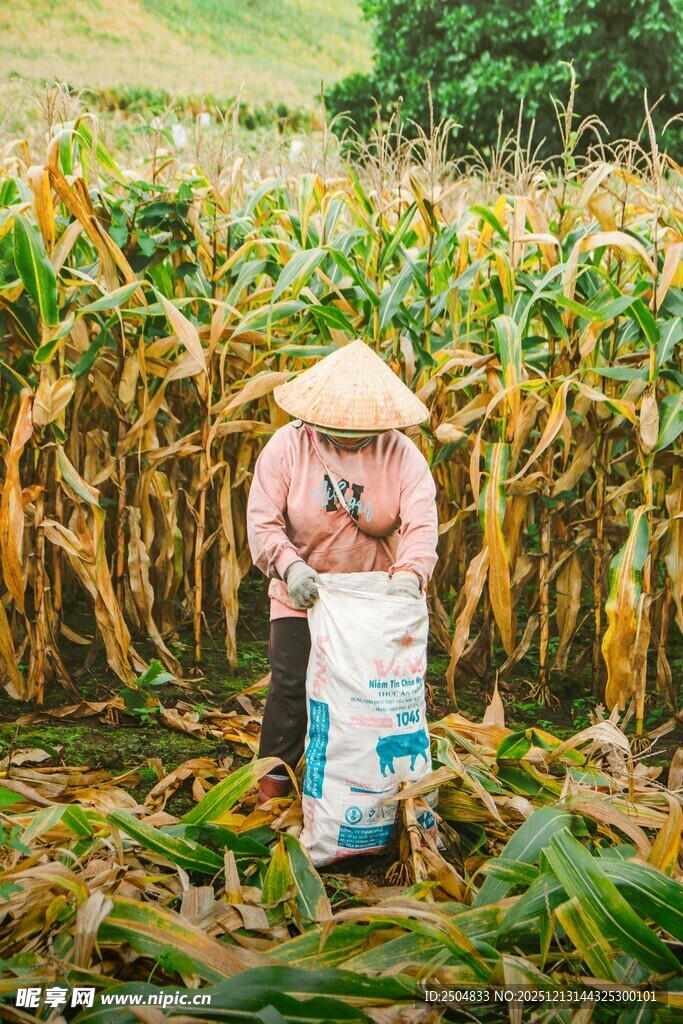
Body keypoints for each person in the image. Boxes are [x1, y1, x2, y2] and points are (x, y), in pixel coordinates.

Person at [246, 340, 439, 802]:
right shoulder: (287, 448)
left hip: (375, 602)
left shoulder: (402, 455)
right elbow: (263, 520)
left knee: (367, 703)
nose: (349, 435)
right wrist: (290, 568)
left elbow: (421, 524)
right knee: (290, 689)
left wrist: (409, 577)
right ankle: (273, 787)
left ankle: (362, 794)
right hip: (303, 593)